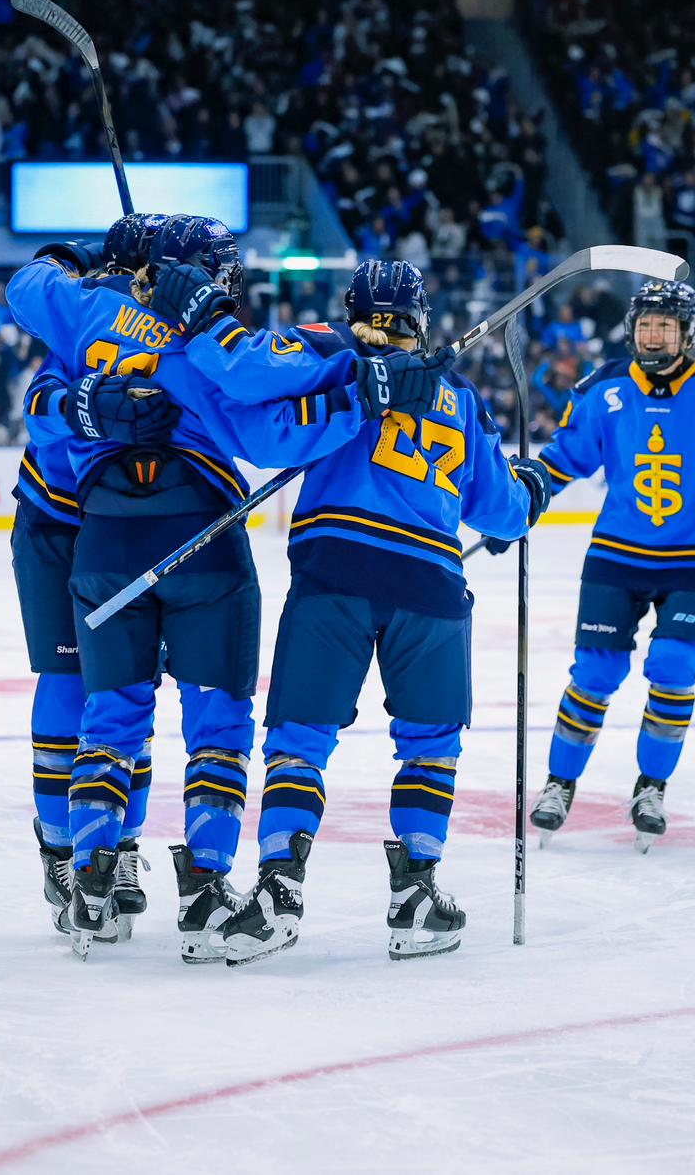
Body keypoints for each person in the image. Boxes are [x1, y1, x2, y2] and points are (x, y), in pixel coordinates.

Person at [8, 215, 439, 960]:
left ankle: (90, 888)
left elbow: (27, 288)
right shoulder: (212, 347)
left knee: (110, 715)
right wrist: (366, 386)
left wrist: (80, 259)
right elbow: (267, 427)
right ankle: (206, 892)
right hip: (201, 537)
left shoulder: (88, 312)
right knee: (218, 721)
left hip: (104, 535)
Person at [182, 260, 548, 964]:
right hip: (433, 587)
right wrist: (530, 491)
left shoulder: (331, 358)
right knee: (431, 744)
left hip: (336, 573)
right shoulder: (459, 396)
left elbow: (262, 421)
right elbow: (502, 513)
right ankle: (415, 895)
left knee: (299, 739)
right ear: (420, 317)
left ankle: (278, 891)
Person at [500, 280, 695, 851]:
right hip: (618, 553)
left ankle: (651, 786)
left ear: (686, 333)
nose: (653, 333)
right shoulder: (605, 387)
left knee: (673, 665)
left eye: (665, 325)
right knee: (595, 673)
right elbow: (565, 457)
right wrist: (523, 496)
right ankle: (558, 783)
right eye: (646, 323)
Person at [9, 213, 173, 944]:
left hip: (127, 523)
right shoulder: (87, 314)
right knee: (71, 681)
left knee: (125, 688)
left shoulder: (176, 328)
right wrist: (88, 408)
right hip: (57, 523)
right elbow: (40, 406)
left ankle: (120, 844)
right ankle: (59, 853)